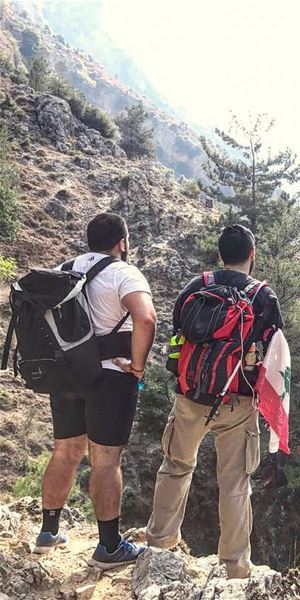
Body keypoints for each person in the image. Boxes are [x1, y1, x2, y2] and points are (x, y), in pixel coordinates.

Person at [146, 224, 283, 579]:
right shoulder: (263, 297)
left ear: (221, 254)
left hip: (190, 396)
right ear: (251, 255)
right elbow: (275, 356)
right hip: (237, 403)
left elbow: (178, 335)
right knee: (235, 483)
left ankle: (159, 543)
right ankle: (235, 566)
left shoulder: (198, 287)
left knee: (176, 466)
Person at [35, 213, 157, 569]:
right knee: (105, 459)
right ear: (123, 242)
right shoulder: (123, 272)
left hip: (67, 376)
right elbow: (146, 318)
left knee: (65, 451)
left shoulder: (64, 268)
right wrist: (137, 365)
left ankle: (48, 532)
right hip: (109, 379)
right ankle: (108, 547)